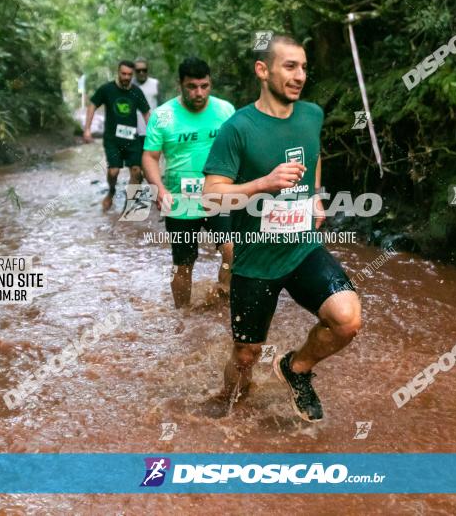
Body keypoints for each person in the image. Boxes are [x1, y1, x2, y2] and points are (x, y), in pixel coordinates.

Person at [202, 35, 362, 422]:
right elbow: (211, 196)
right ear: (263, 70)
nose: (300, 75)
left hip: (301, 248)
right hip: (255, 259)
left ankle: (296, 368)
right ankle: (229, 402)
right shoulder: (237, 128)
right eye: (290, 66)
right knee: (246, 356)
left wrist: (315, 195)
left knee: (347, 320)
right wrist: (262, 183)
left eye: (304, 67)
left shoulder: (312, 115)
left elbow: (313, 152)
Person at [142, 57, 235, 308]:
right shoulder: (163, 116)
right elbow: (150, 157)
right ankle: (182, 315)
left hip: (218, 195)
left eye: (204, 86)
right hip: (180, 201)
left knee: (231, 249)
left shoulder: (225, 110)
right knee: (183, 264)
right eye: (192, 87)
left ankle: (221, 297)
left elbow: (238, 150)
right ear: (180, 85)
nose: (199, 93)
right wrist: (159, 189)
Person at [83, 60, 150, 212]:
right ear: (118, 73)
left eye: (129, 75)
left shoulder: (136, 92)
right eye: (124, 74)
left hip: (132, 139)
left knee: (136, 171)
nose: (126, 77)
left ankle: (130, 204)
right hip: (112, 139)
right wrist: (87, 129)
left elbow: (146, 113)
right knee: (114, 171)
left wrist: (154, 134)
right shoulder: (107, 89)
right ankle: (111, 191)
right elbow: (92, 105)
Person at [132, 56, 160, 151]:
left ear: (148, 70)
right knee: (135, 164)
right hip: (133, 131)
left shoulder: (155, 83)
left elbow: (162, 106)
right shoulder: (128, 85)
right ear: (134, 71)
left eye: (144, 70)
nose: (141, 73)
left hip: (151, 131)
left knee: (149, 162)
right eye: (138, 70)